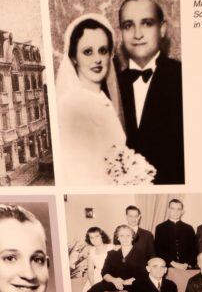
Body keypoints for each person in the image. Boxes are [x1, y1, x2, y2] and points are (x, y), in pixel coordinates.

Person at [55, 14, 155, 186]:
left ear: (110, 54)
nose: (97, 59)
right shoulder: (71, 105)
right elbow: (79, 176)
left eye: (103, 50)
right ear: (73, 58)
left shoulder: (102, 99)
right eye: (88, 52)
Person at [116, 0, 184, 185]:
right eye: (128, 25)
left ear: (162, 29)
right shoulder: (109, 87)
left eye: (147, 23)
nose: (137, 34)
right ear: (121, 32)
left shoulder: (183, 77)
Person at [154, 198, 196, 269]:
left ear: (182, 211)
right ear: (168, 210)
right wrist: (172, 263)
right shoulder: (160, 228)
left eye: (179, 209)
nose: (175, 212)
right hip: (167, 266)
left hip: (186, 267)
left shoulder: (189, 228)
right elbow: (159, 249)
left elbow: (194, 249)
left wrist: (186, 264)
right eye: (173, 208)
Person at [78, 226, 113, 292]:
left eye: (97, 236)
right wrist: (93, 285)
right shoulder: (91, 251)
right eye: (91, 237)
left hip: (109, 276)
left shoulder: (111, 247)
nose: (95, 239)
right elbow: (90, 272)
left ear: (102, 236)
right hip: (95, 278)